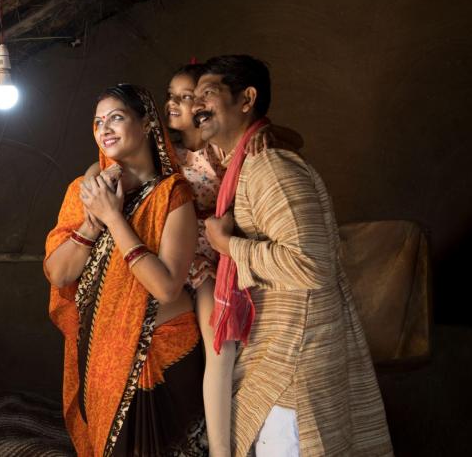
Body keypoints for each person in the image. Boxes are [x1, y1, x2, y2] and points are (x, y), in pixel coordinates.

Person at [84, 64, 302, 457]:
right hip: (169, 253)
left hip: (206, 261)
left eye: (189, 98)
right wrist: (92, 182)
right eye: (172, 95)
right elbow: (104, 164)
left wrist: (264, 130)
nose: (177, 103)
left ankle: (220, 449)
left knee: (219, 347)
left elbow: (290, 140)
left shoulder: (219, 149)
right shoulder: (164, 149)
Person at [194, 55, 393, 456]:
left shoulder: (270, 168)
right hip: (278, 357)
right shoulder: (245, 165)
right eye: (192, 97)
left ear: (246, 99)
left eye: (208, 94)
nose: (197, 105)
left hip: (292, 367)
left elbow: (311, 265)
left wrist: (228, 245)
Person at [44, 84, 207, 455]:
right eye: (98, 122)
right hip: (102, 361)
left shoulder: (172, 194)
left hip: (159, 358)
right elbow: (58, 274)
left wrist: (114, 218)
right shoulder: (85, 191)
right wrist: (93, 222)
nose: (105, 128)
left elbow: (166, 288)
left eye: (116, 118)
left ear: (147, 123)